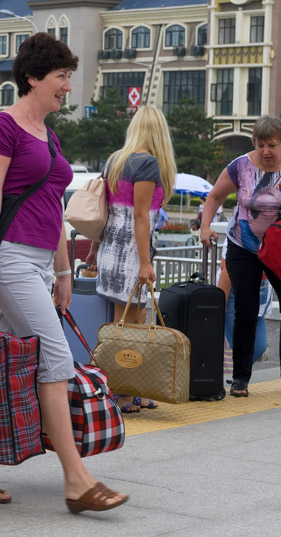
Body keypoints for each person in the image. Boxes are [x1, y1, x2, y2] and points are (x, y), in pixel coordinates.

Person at [0, 33, 127, 513]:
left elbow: (52, 205)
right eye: (60, 77)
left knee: (5, 366)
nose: (66, 87)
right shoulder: (0, 129)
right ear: (32, 78)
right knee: (54, 359)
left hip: (38, 261)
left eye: (68, 78)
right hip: (8, 259)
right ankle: (77, 480)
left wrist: (63, 271)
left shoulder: (48, 135)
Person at [200, 115, 281, 398]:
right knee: (245, 309)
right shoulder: (241, 166)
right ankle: (241, 377)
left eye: (272, 145)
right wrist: (206, 226)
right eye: (260, 145)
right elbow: (215, 196)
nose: (266, 151)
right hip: (244, 246)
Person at [87, 105, 177, 413]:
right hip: (130, 253)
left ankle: (129, 389)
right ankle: (122, 392)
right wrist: (145, 262)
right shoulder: (148, 163)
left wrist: (94, 249)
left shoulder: (115, 160)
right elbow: (140, 216)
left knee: (122, 324)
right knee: (131, 326)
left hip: (111, 248)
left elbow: (105, 211)